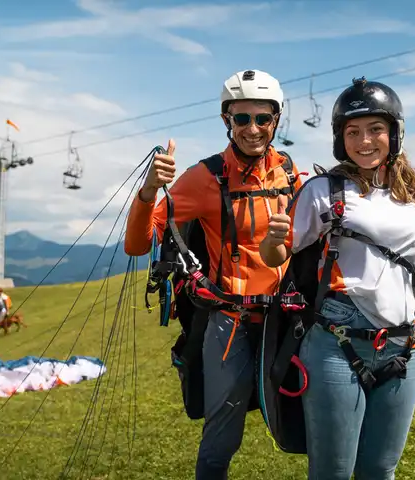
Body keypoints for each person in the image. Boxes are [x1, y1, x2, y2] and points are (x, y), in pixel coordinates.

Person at [259, 77, 415, 480]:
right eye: (353, 131)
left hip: (402, 350)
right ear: (339, 139)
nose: (365, 141)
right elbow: (278, 256)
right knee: (332, 472)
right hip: (335, 347)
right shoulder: (324, 191)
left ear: (394, 133)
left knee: (381, 470)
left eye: (375, 129)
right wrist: (273, 240)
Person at [124, 69, 304, 479]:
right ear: (227, 121)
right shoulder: (203, 178)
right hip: (230, 322)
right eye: (241, 119)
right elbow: (138, 244)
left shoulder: (292, 175)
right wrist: (149, 190)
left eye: (263, 118)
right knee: (221, 436)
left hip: (288, 319)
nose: (253, 129)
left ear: (276, 120)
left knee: (311, 418)